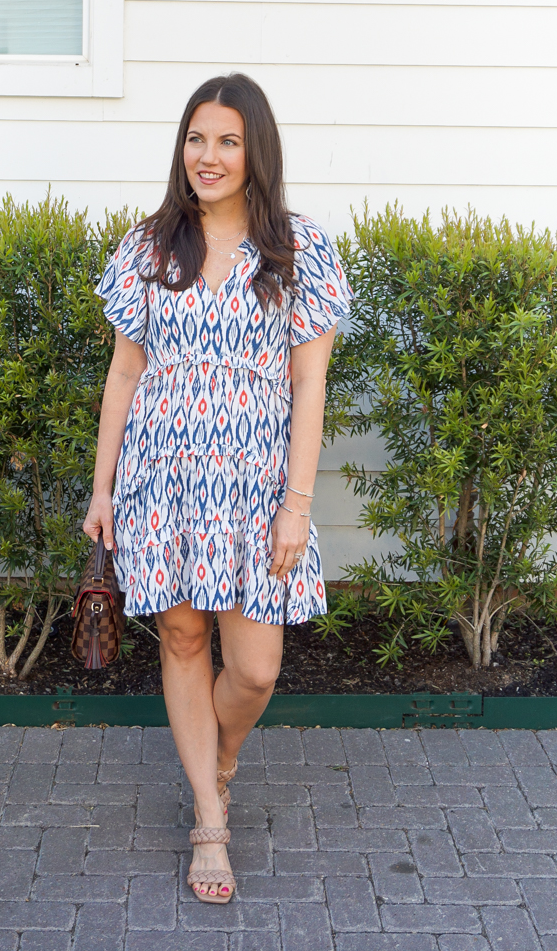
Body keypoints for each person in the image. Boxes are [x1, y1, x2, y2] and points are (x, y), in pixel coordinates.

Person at [83, 72, 351, 904]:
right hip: (160, 479)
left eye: (228, 140)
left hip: (254, 487)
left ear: (254, 150)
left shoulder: (299, 250)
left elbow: (311, 387)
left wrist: (296, 505)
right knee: (185, 640)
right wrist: (101, 491)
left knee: (258, 667)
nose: (209, 156)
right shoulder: (149, 245)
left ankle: (221, 759)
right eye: (197, 139)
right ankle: (209, 818)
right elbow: (125, 373)